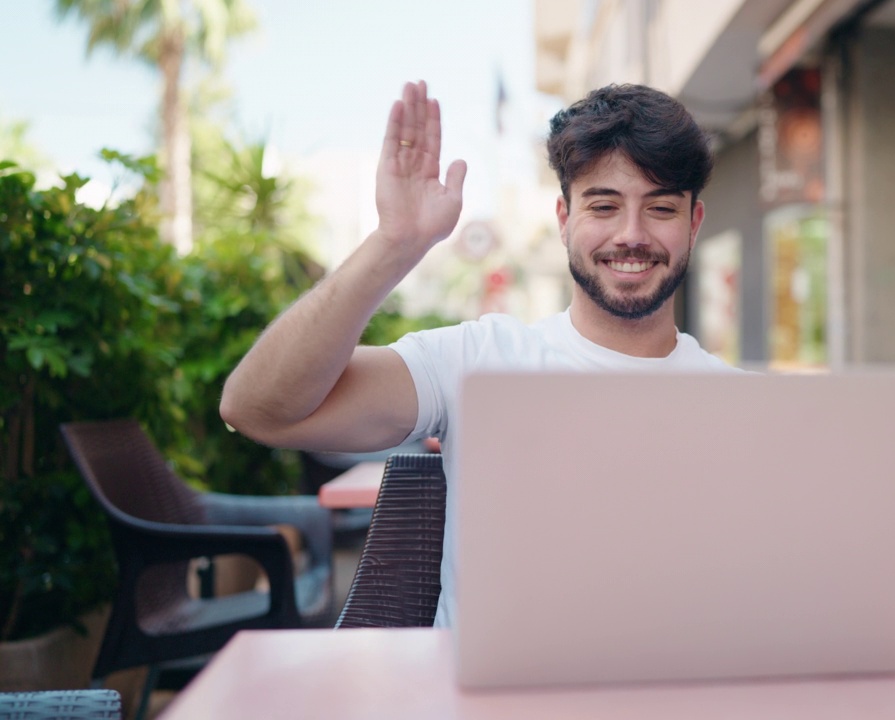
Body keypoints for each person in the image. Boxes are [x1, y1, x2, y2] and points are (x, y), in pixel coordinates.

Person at [220, 80, 741, 626]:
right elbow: (257, 408)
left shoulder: (741, 409)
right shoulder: (477, 359)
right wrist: (395, 243)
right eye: (604, 205)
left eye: (660, 208)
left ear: (693, 224)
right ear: (565, 221)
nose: (631, 235)